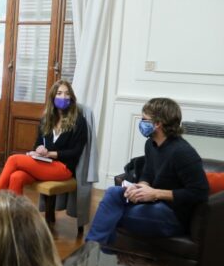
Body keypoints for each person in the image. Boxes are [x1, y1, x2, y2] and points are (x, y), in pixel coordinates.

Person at [86, 98, 208, 244]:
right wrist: (142, 186)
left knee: (111, 214)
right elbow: (148, 172)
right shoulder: (151, 144)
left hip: (173, 216)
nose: (141, 123)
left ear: (158, 124)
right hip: (154, 203)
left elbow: (200, 193)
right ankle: (93, 249)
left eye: (144, 119)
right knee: (113, 193)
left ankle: (95, 251)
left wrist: (156, 193)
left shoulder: (183, 152)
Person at [0, 80, 87, 195]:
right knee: (16, 177)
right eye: (59, 93)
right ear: (53, 97)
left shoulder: (79, 121)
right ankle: (13, 212)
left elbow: (76, 151)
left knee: (14, 159)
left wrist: (50, 154)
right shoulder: (46, 119)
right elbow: (37, 143)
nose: (64, 97)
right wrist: (39, 148)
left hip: (63, 168)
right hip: (44, 163)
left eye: (67, 93)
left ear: (71, 97)